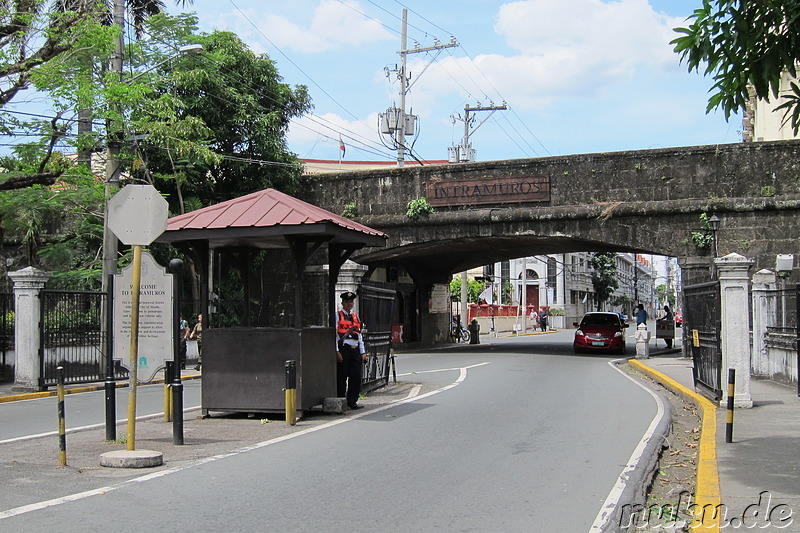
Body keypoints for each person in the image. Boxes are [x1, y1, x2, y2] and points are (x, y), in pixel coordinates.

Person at [336, 291, 367, 410]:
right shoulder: (337, 315)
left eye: (351, 302)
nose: (349, 304)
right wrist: (336, 350)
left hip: (355, 350)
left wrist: (362, 352)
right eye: (347, 302)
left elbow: (359, 336)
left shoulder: (355, 317)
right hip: (344, 349)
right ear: (342, 303)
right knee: (342, 376)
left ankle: (352, 401)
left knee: (356, 376)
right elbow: (335, 335)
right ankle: (341, 401)